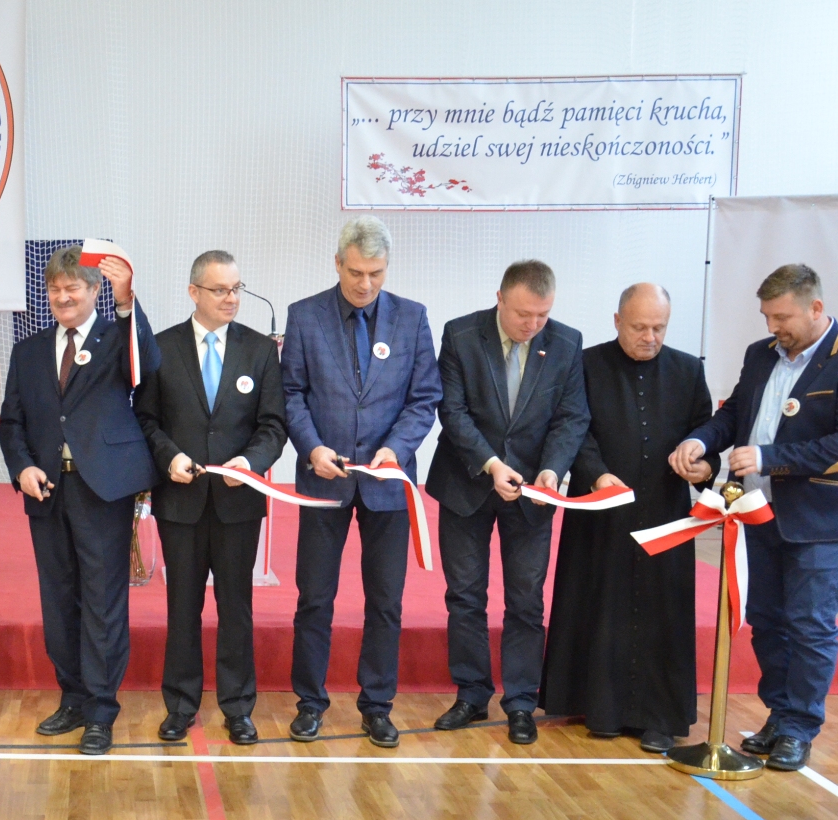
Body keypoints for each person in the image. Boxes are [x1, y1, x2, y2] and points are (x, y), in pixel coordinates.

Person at [671, 264, 838, 773]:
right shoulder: (759, 354)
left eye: (782, 317)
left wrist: (770, 458)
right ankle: (779, 715)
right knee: (766, 621)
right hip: (755, 513)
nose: (772, 327)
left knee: (809, 626)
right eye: (767, 316)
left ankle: (799, 728)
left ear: (815, 308)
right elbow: (735, 414)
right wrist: (701, 439)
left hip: (817, 523)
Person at [280, 217, 440, 748]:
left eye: (375, 273)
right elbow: (291, 393)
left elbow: (424, 398)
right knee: (315, 598)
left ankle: (377, 706)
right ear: (337, 263)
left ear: (386, 268)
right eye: (355, 272)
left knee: (386, 601)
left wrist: (397, 450)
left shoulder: (412, 318)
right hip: (323, 479)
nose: (365, 283)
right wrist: (312, 448)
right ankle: (310, 704)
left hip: (387, 484)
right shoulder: (305, 316)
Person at [0, 244, 160, 755]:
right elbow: (11, 421)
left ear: (94, 291)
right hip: (47, 490)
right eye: (55, 290)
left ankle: (100, 710)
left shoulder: (119, 339)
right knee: (58, 598)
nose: (63, 297)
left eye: (73, 288)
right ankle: (71, 697)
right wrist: (22, 466)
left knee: (103, 601)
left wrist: (127, 301)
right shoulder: (28, 350)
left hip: (103, 489)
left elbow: (149, 365)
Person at [540, 284, 711, 752]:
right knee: (601, 603)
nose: (649, 337)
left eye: (659, 328)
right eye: (639, 327)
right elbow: (574, 427)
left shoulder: (687, 370)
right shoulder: (586, 364)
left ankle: (659, 716)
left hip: (665, 513)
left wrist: (704, 464)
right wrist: (596, 474)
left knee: (663, 611)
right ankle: (600, 708)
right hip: (601, 511)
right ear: (617, 321)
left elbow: (706, 429)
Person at [426, 260, 589, 746]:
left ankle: (520, 700)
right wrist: (492, 465)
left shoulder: (566, 343)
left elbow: (571, 417)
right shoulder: (461, 335)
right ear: (499, 298)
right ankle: (471, 693)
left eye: (542, 314)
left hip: (533, 493)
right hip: (467, 483)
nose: (532, 324)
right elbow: (452, 412)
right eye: (523, 314)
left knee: (525, 600)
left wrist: (552, 470)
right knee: (465, 595)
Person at [135, 250, 286, 745]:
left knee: (236, 607)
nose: (231, 298)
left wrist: (252, 463)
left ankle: (238, 707)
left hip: (238, 503)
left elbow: (273, 425)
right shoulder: (161, 348)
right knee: (182, 607)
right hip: (181, 500)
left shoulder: (260, 350)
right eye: (220, 290)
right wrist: (169, 457)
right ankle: (180, 705)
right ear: (194, 292)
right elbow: (146, 420)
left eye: (237, 288)